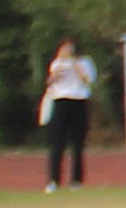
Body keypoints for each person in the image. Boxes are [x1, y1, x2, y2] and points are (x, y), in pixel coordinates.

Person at [36, 33, 97, 185]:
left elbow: (88, 80)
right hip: (61, 101)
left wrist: (75, 65)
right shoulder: (57, 63)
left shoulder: (84, 62)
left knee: (77, 143)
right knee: (57, 143)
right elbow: (50, 82)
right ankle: (54, 180)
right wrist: (56, 74)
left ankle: (76, 180)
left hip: (78, 100)